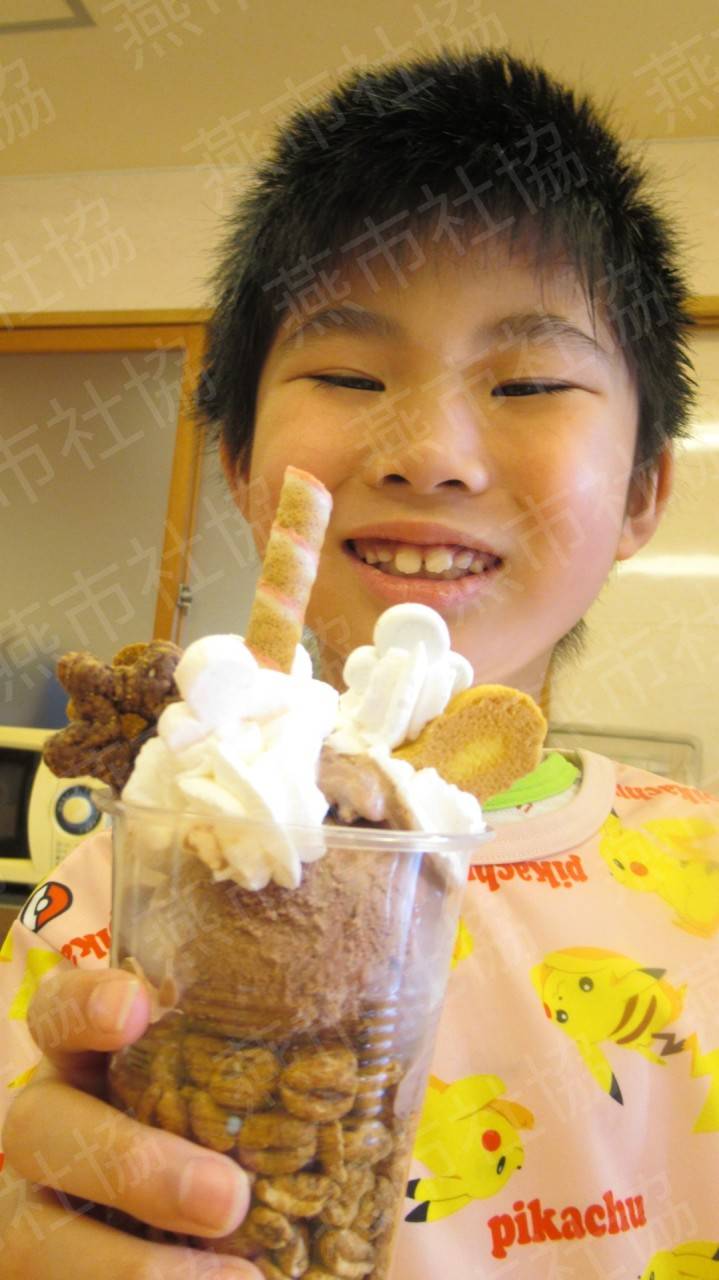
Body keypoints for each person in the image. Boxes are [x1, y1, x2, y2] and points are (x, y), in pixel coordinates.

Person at [2, 48, 718, 1280]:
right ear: (240, 465)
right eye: (346, 373)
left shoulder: (696, 880)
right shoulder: (136, 874)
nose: (427, 449)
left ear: (642, 491)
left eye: (528, 380)